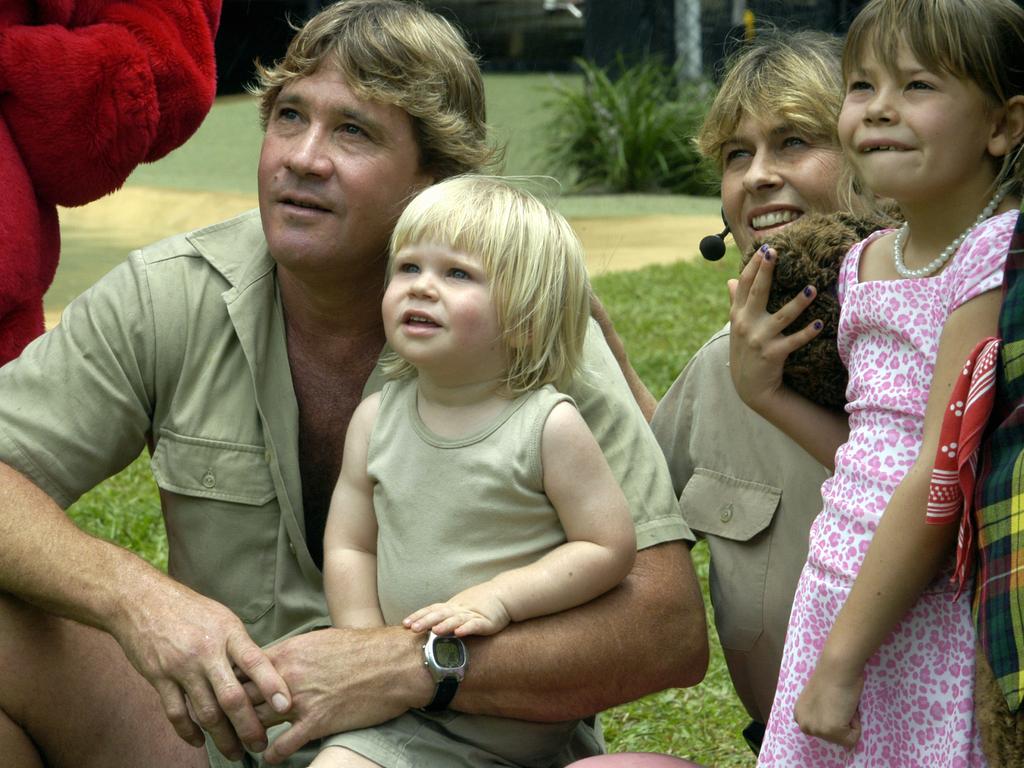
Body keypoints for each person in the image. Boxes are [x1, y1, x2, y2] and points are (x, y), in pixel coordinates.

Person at [0, 1, 708, 767]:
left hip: (459, 750)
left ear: (434, 177)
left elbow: (665, 629)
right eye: (289, 117)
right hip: (226, 735)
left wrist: (408, 668)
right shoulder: (170, 293)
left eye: (353, 131)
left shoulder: (521, 325)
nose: (302, 158)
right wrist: (135, 598)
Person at [728, 0, 1024, 763]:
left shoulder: (993, 257)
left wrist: (841, 662)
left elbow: (939, 471)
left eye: (918, 85)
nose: (881, 109)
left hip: (923, 618)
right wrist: (767, 396)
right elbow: (872, 454)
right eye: (861, 86)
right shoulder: (865, 264)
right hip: (838, 589)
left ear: (1004, 125)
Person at [313, 174, 637, 767]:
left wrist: (500, 599)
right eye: (408, 268)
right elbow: (351, 545)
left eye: (456, 274)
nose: (422, 288)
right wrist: (365, 649)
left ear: (527, 316)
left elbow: (607, 545)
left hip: (518, 719)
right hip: (403, 721)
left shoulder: (546, 425)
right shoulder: (375, 420)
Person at [649, 30, 848, 754]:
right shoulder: (718, 374)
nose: (758, 176)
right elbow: (623, 533)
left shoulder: (971, 339)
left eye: (794, 142)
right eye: (738, 154)